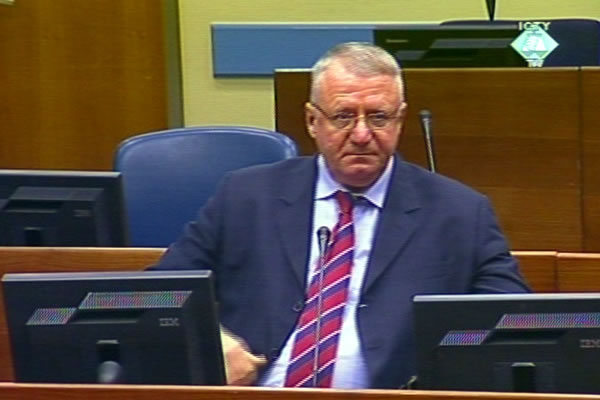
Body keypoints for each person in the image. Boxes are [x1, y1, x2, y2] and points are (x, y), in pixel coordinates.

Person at [150, 42, 530, 389]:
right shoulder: (246, 196)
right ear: (313, 121)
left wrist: (441, 354)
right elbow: (155, 297)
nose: (362, 134)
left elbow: (514, 325)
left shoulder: (459, 213)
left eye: (378, 118)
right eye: (344, 117)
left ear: (400, 120)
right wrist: (210, 340)